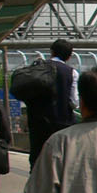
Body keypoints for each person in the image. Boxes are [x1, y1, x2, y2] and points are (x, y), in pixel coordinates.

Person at [27, 39, 80, 168]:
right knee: (63, 162)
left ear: (51, 52)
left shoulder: (37, 68)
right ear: (69, 56)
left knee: (37, 161)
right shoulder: (71, 72)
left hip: (38, 123)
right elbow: (74, 102)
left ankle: (36, 185)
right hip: (62, 124)